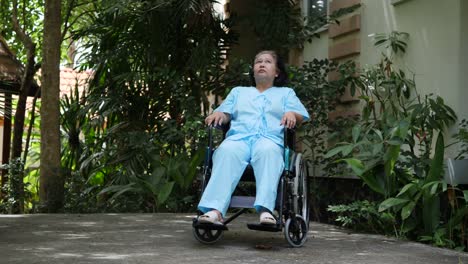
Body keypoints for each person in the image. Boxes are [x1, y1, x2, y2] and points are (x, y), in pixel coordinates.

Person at [197, 50, 309, 225]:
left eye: (268, 62)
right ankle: (215, 210)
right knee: (226, 150)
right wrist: (219, 114)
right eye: (258, 62)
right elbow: (226, 113)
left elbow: (300, 115)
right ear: (253, 70)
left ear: (277, 72)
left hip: (269, 140)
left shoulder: (286, 93)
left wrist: (291, 113)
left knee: (268, 152)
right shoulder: (238, 92)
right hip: (239, 139)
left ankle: (266, 210)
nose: (262, 64)